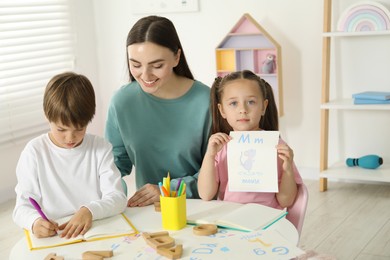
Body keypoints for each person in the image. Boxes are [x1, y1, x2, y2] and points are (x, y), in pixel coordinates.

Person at [105, 15, 211, 207]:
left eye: (157, 65)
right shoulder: (122, 102)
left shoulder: (206, 101)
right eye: (136, 64)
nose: (145, 75)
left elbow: (218, 171)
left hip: (200, 208)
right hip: (148, 211)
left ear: (176, 57)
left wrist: (166, 189)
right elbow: (113, 167)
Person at [13, 72, 127, 239]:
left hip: (96, 229)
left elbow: (118, 198)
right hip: (57, 234)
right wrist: (35, 222)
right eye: (61, 129)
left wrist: (88, 210)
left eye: (79, 129)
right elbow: (22, 207)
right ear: (47, 116)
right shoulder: (34, 152)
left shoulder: (100, 148)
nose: (70, 138)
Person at [198, 70, 302, 209]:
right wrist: (210, 156)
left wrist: (288, 169)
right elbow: (205, 194)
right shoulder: (220, 147)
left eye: (251, 102)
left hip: (267, 219)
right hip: (230, 219)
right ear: (222, 110)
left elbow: (286, 201)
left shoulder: (276, 147)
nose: (243, 109)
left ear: (263, 107)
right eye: (234, 103)